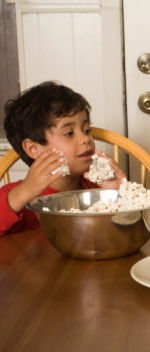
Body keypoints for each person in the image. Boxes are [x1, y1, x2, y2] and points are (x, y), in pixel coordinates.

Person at [1, 81, 125, 236]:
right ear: (34, 149)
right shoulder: (15, 196)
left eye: (86, 130)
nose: (85, 139)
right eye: (69, 133)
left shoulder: (99, 188)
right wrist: (24, 192)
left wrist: (122, 195)